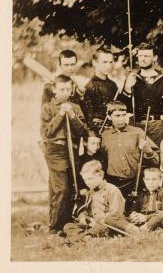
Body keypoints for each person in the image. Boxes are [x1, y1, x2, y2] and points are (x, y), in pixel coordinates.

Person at [40, 74, 89, 234]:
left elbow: (82, 131)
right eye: (62, 89)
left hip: (72, 151)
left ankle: (65, 224)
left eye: (68, 89)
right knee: (61, 189)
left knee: (71, 187)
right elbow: (47, 132)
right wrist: (61, 114)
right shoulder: (48, 108)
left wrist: (72, 116)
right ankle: (54, 227)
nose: (65, 92)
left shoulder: (75, 107)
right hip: (56, 151)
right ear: (54, 90)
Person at [101, 100, 160, 211]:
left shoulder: (138, 132)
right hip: (112, 184)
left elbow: (156, 161)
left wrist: (148, 150)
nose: (121, 119)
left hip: (133, 184)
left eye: (124, 115)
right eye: (117, 116)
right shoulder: (105, 135)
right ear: (109, 117)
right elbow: (103, 159)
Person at [63, 160, 139, 239]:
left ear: (101, 175)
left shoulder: (112, 190)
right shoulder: (90, 192)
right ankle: (86, 236)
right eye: (85, 180)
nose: (87, 183)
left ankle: (83, 237)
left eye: (90, 178)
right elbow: (86, 209)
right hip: (93, 224)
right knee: (67, 226)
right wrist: (84, 218)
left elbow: (115, 215)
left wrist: (97, 222)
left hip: (107, 225)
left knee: (101, 228)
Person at [121, 42, 163, 146]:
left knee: (156, 156)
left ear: (154, 58)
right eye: (140, 55)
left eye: (146, 56)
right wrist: (127, 88)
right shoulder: (132, 78)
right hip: (136, 125)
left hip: (157, 126)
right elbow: (123, 106)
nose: (142, 59)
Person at [81, 46, 119, 133]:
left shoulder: (113, 85)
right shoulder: (90, 86)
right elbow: (88, 118)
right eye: (104, 62)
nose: (108, 66)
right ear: (95, 63)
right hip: (98, 131)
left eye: (110, 62)